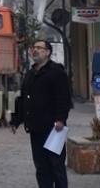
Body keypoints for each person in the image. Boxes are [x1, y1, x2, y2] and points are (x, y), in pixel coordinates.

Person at [10, 40, 71, 188]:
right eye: (34, 48)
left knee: (56, 166)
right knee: (42, 167)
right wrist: (15, 120)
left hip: (53, 129)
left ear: (48, 52)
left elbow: (63, 98)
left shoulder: (56, 72)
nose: (35, 50)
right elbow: (22, 98)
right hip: (36, 128)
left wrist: (60, 119)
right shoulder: (31, 73)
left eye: (39, 48)